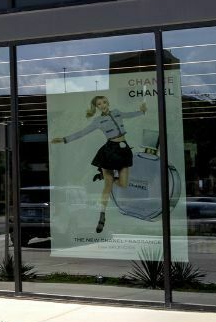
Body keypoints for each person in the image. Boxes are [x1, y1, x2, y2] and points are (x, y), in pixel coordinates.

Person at [52, 95, 148, 233]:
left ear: (107, 103)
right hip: (109, 151)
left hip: (123, 150)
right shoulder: (98, 121)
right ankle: (102, 216)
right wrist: (64, 139)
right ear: (96, 107)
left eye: (104, 102)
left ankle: (106, 176)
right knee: (107, 186)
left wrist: (142, 111)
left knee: (123, 184)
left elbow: (130, 114)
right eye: (99, 104)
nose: (102, 105)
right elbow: (83, 132)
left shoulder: (117, 112)